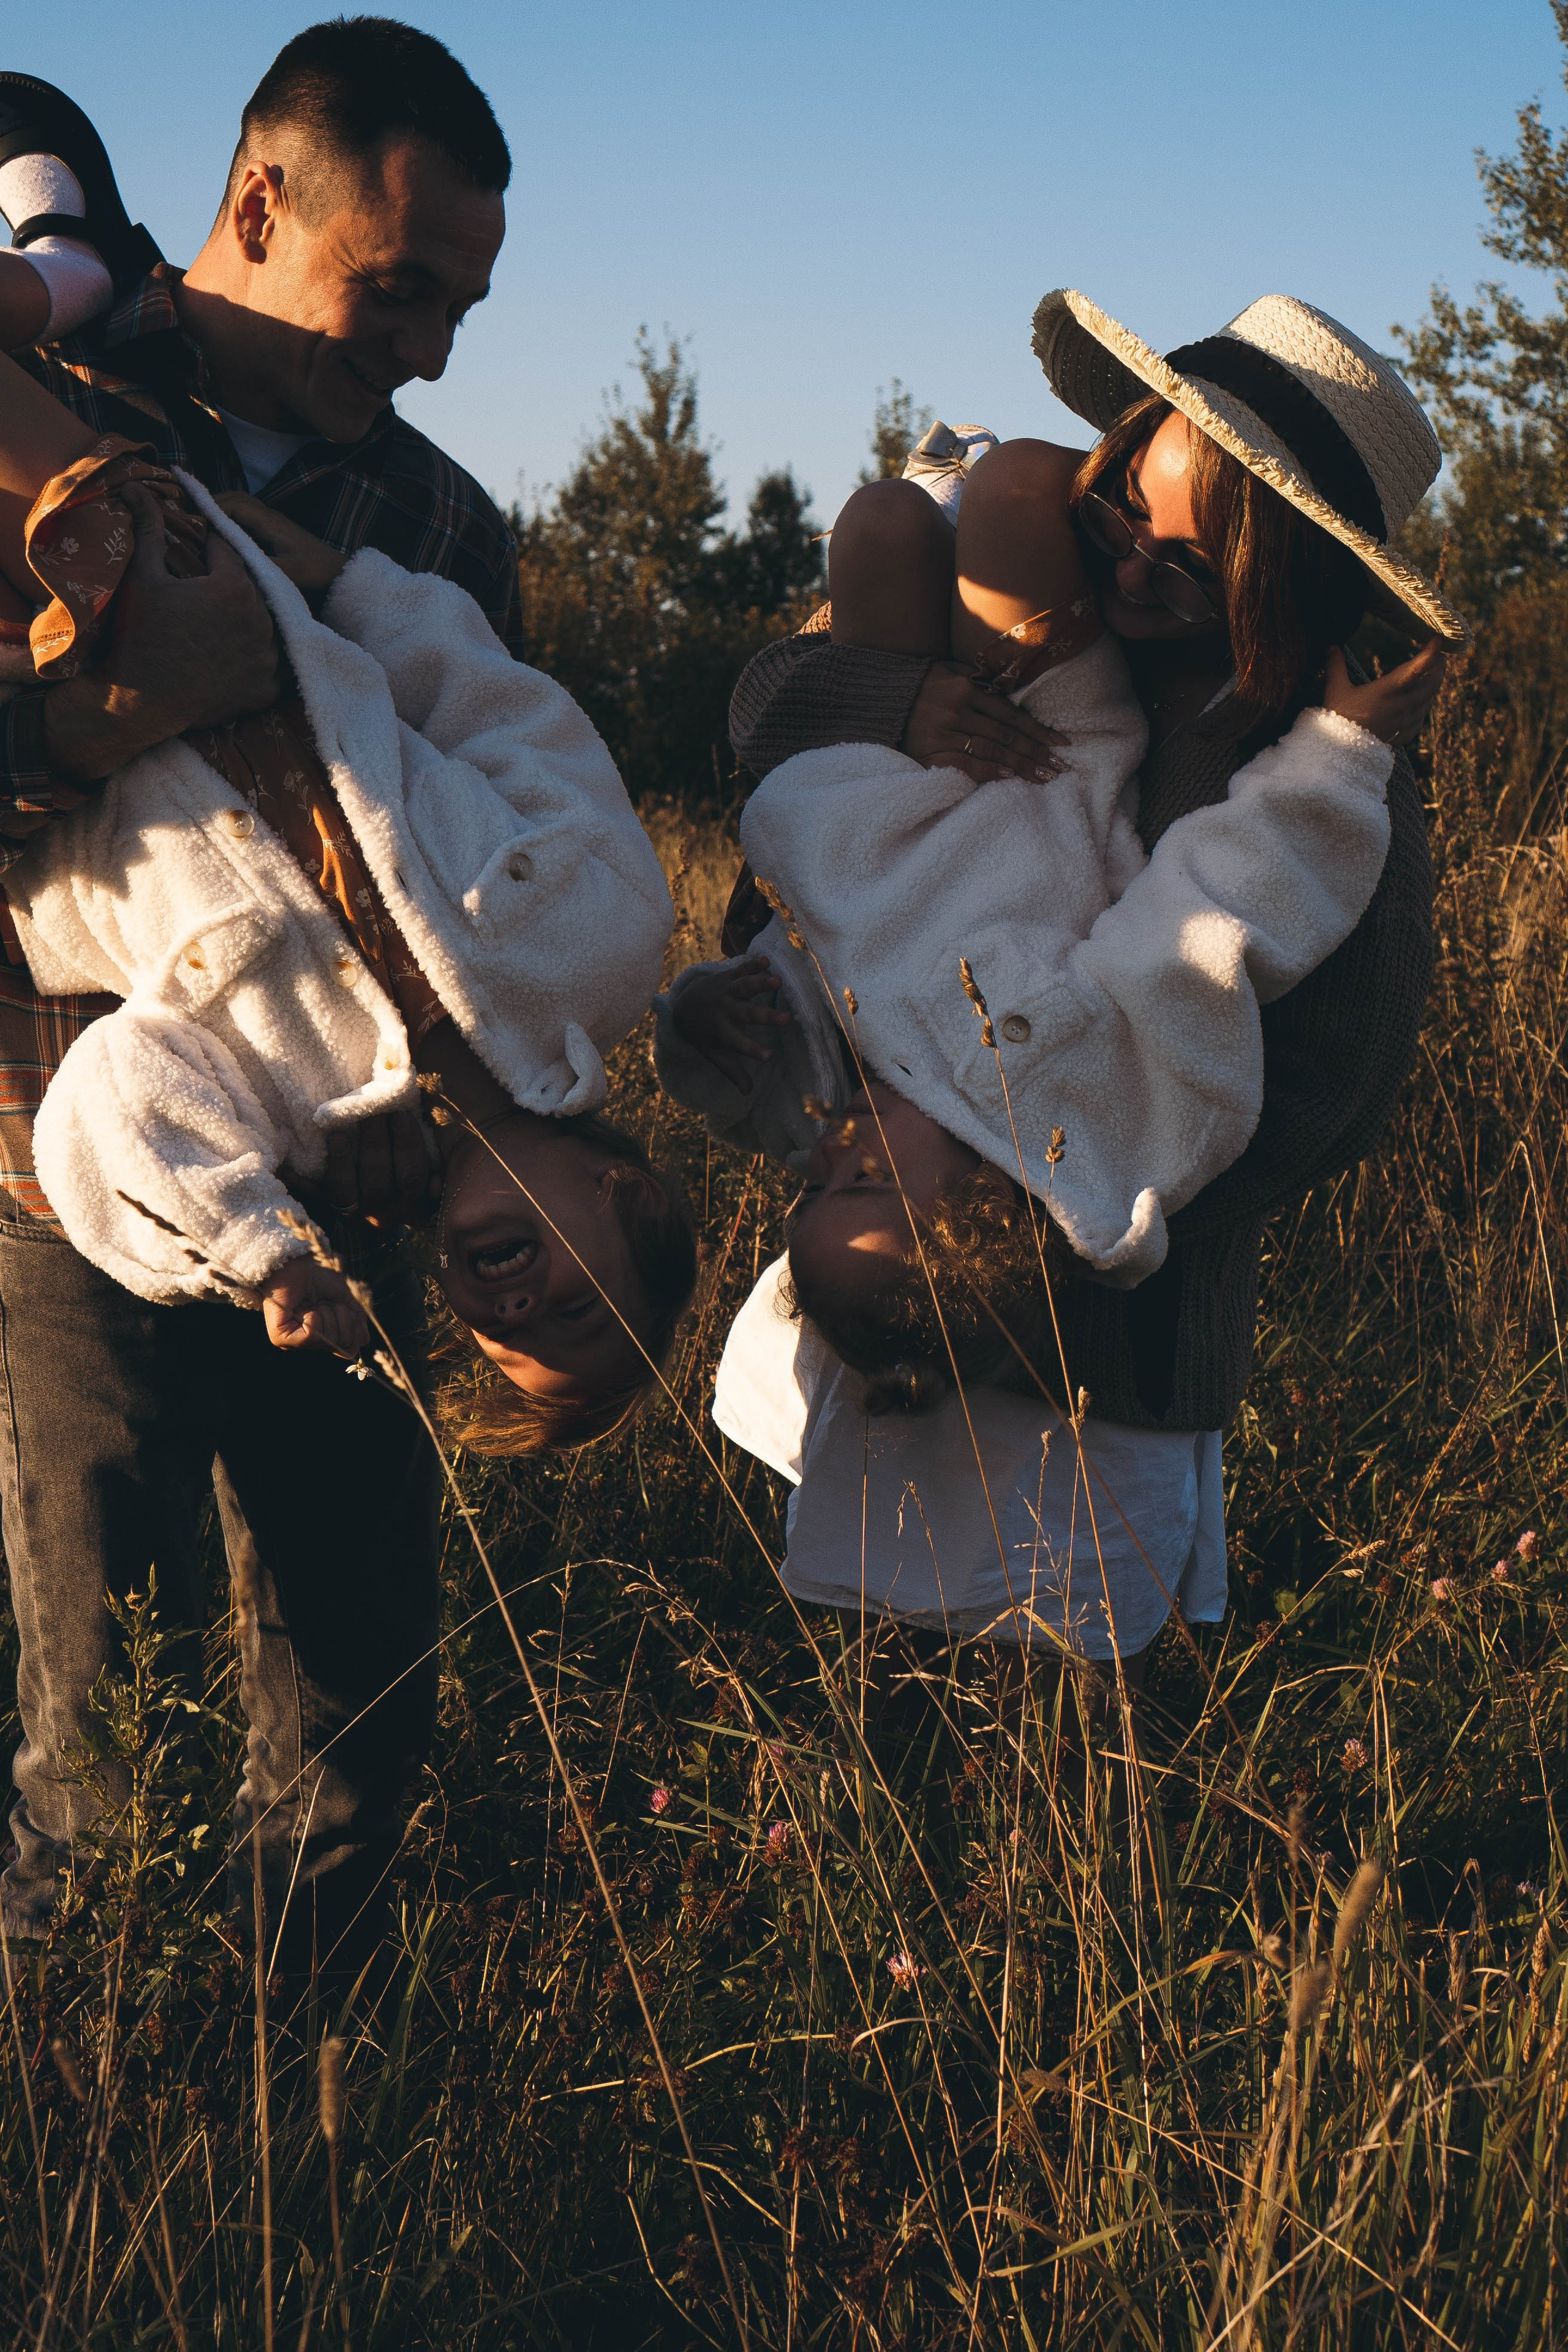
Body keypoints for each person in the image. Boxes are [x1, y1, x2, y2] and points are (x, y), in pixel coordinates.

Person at [663, 291, 1460, 1678]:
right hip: (892, 1228)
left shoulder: (1309, 761)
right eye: (1119, 513)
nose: (1137, 567)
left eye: (1194, 562)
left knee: (1073, 1661)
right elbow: (768, 708)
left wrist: (1053, 1164)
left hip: (1113, 1313)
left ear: (1286, 581)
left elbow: (1341, 1087)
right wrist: (895, 711)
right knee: (867, 1635)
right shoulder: (1034, 600)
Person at [0, 24, 550, 1979]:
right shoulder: (32, 396)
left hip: (361, 1188)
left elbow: (488, 842)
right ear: (257, 204)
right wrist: (99, 710)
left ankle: (297, 2142)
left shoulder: (446, 534)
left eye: (465, 307)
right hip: (70, 1188)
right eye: (398, 290)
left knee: (352, 1727)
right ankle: (72, 2170)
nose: (432, 350)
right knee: (98, 1741)